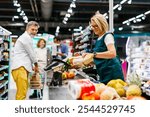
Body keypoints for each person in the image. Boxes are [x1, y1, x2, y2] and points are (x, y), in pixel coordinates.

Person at [84, 12, 124, 84]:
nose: (93, 28)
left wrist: (94, 54)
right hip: (104, 72)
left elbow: (112, 53)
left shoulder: (108, 36)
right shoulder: (99, 38)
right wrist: (88, 61)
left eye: (96, 26)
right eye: (92, 26)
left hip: (112, 73)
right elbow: (101, 57)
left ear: (102, 25)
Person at [11, 21, 39, 100]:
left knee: (22, 93)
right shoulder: (26, 38)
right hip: (20, 68)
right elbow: (32, 54)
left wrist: (32, 65)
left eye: (36, 30)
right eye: (32, 29)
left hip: (21, 68)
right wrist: (36, 65)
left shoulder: (26, 37)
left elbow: (26, 54)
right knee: (21, 95)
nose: (34, 32)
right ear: (27, 29)